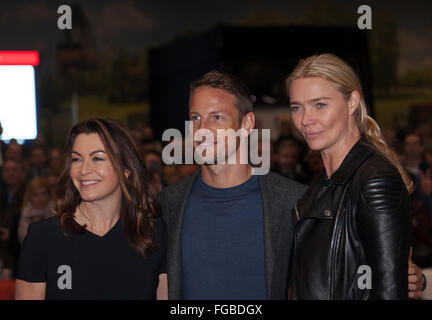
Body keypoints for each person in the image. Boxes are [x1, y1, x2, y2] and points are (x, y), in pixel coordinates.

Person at [159, 70, 307, 299]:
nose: (202, 129)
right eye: (196, 117)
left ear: (246, 123)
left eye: (217, 117)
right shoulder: (170, 202)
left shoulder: (293, 201)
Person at [287, 53, 414, 299]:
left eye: (320, 105)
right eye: (296, 108)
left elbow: (389, 293)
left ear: (352, 101)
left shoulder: (374, 181)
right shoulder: (320, 184)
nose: (305, 120)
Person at [15, 117, 167, 300]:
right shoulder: (42, 238)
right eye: (76, 159)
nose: (84, 169)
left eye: (97, 158)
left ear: (126, 170)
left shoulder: (153, 235)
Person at [18, 177, 54, 244]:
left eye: (43, 194)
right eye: (35, 195)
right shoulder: (26, 212)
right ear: (29, 196)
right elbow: (23, 238)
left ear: (49, 194)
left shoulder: (56, 210)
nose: (40, 198)